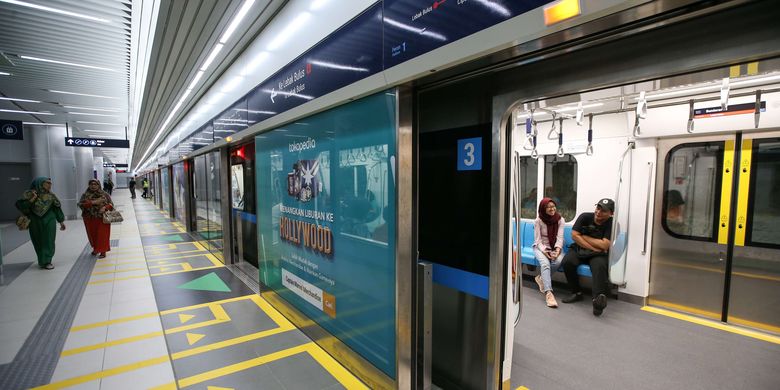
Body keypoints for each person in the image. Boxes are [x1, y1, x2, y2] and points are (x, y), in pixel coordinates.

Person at [561, 198, 614, 316]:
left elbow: (605, 244)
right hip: (580, 248)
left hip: (597, 254)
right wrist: (595, 246)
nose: (598, 212)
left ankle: (597, 301)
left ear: (611, 213)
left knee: (599, 267)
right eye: (598, 208)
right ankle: (576, 292)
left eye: (603, 211)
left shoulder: (611, 223)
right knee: (568, 262)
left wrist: (584, 236)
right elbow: (574, 236)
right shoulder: (584, 217)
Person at [15, 177, 66, 270]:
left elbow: (57, 209)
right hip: (34, 221)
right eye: (47, 183)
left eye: (50, 183)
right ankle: (42, 260)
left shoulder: (51, 196)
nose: (50, 185)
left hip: (49, 220)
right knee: (38, 240)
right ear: (39, 183)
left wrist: (61, 221)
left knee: (49, 240)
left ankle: (47, 260)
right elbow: (21, 207)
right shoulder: (28, 194)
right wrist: (31, 199)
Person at [533, 198, 565, 308]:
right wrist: (545, 251)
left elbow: (560, 238)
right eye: (548, 207)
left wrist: (557, 251)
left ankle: (542, 279)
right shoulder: (538, 221)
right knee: (545, 264)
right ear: (543, 208)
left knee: (558, 261)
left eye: (553, 206)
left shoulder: (560, 220)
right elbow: (538, 240)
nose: (552, 208)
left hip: (555, 247)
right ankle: (549, 293)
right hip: (540, 247)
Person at [79, 179, 114, 258]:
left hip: (103, 218)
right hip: (89, 218)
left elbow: (111, 205)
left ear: (99, 185)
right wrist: (93, 203)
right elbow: (81, 205)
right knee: (92, 234)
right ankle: (96, 248)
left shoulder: (105, 194)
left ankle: (103, 251)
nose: (93, 186)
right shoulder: (85, 195)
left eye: (95, 184)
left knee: (102, 235)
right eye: (91, 184)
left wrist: (105, 207)